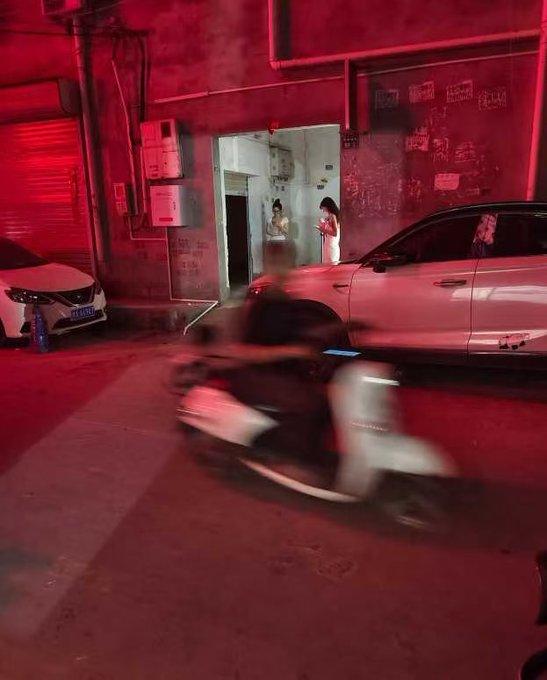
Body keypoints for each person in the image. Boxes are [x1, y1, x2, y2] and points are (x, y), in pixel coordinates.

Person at [316, 197, 341, 264]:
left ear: (327, 206)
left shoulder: (333, 216)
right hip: (327, 244)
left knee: (331, 264)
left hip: (332, 246)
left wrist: (323, 229)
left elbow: (335, 233)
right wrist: (323, 228)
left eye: (323, 208)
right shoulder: (329, 216)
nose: (323, 211)